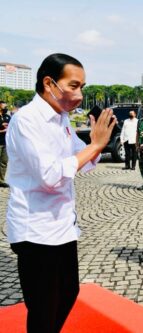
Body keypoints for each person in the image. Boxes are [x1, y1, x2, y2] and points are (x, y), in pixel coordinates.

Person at [5, 53, 116, 333]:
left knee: (68, 294)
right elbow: (50, 176)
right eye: (73, 85)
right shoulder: (27, 120)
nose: (79, 94)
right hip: (36, 230)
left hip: (62, 227)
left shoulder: (62, 119)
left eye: (83, 87)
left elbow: (83, 157)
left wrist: (96, 144)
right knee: (43, 307)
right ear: (49, 83)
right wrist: (95, 145)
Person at [0, 101, 11, 187]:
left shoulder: (7, 116)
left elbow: (12, 127)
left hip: (5, 142)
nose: (5, 108)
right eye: (4, 106)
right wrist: (2, 130)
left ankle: (1, 180)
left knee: (4, 162)